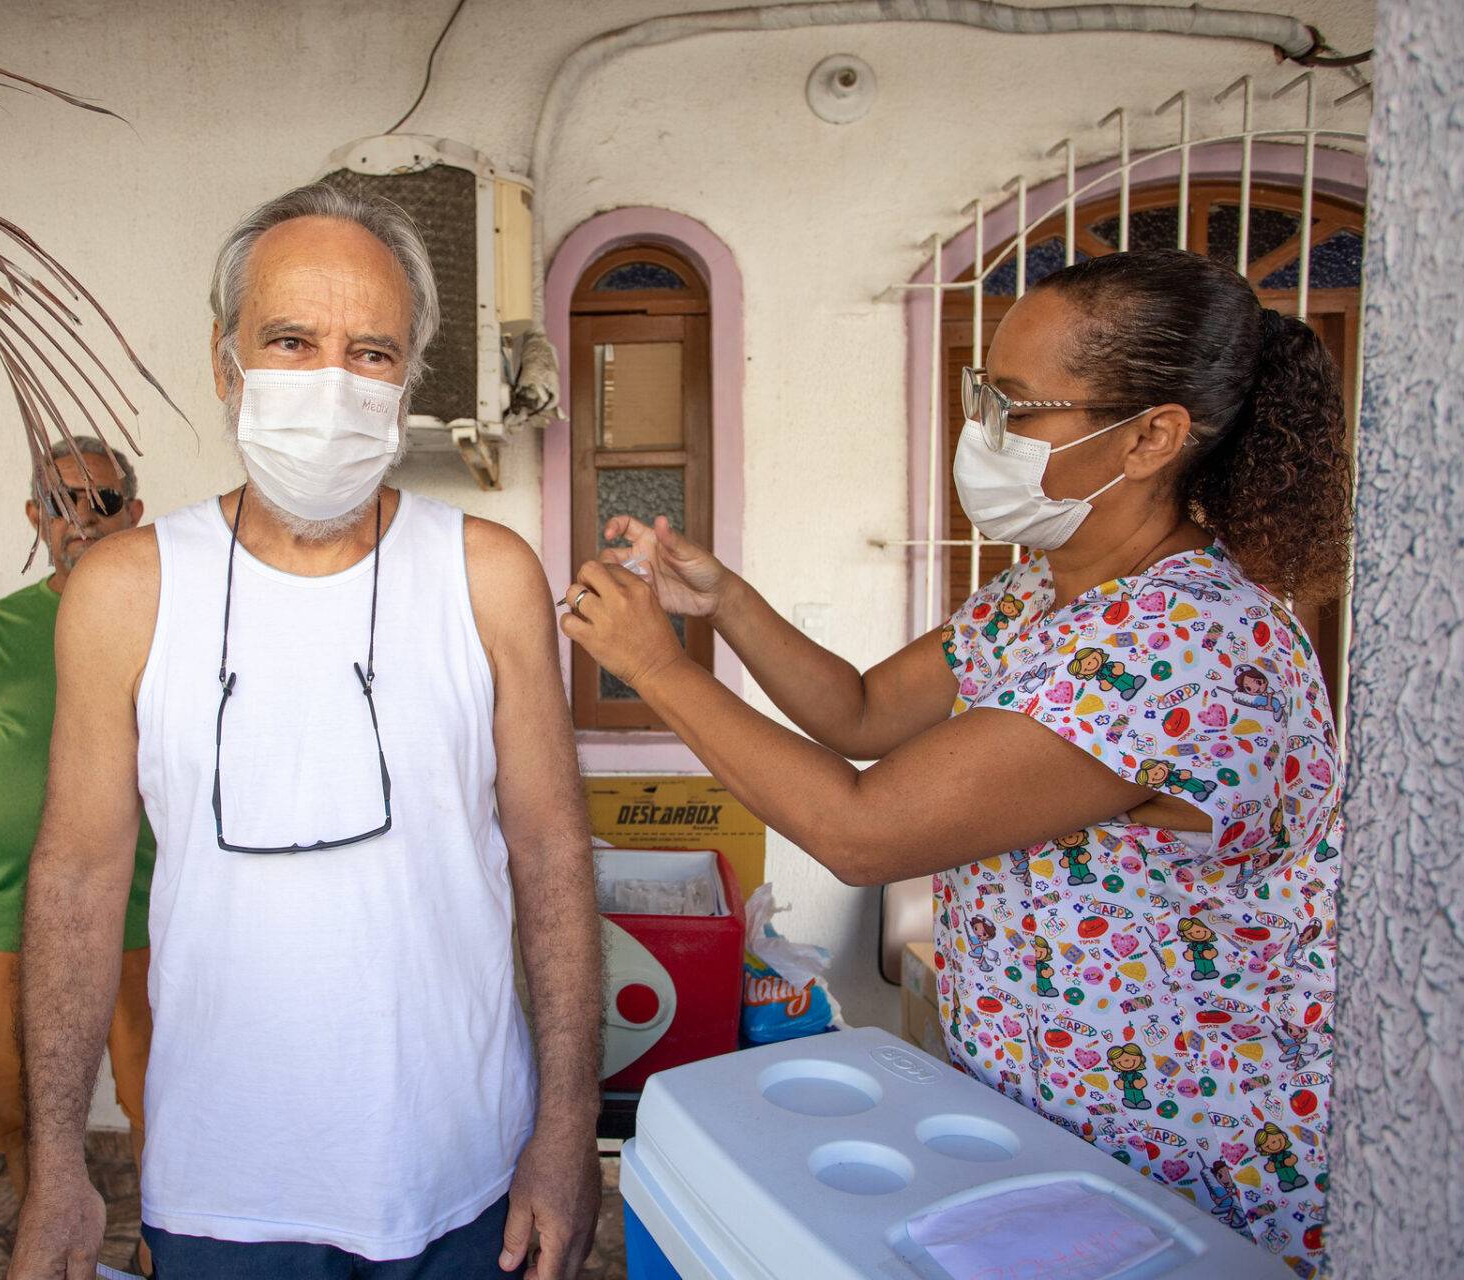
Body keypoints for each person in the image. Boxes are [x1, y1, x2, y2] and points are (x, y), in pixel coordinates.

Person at [561, 249, 1346, 1277]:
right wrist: (726, 603)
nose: (984, 435)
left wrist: (653, 669)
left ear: (1152, 435)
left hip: (1181, 1164)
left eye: (1017, 406)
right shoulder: (1041, 595)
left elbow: (860, 826)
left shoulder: (1186, 644)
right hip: (1043, 1135)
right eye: (985, 393)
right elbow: (861, 711)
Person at [6, 184, 602, 1280]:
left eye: (370, 351)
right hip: (224, 1183)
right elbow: (79, 876)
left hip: (464, 1170)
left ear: (410, 380)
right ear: (227, 364)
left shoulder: (487, 576)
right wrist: (56, 1165)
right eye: (291, 340)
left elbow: (553, 854)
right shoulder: (128, 590)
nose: (329, 382)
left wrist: (568, 1128)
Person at [0, 436, 159, 1239]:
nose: (79, 517)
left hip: (143, 917)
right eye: (60, 500)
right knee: (13, 1103)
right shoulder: (2, 628)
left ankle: (167, 1250)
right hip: (6, 917)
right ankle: (47, 1241)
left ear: (135, 516)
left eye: (101, 501)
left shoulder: (173, 618)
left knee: (162, 1103)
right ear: (33, 516)